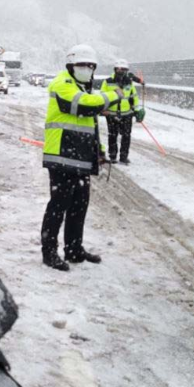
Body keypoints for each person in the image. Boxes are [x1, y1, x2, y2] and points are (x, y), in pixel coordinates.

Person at [40, 44, 124, 271]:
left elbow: (90, 125)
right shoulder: (63, 83)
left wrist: (99, 150)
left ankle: (74, 249)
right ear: (71, 65)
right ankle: (49, 252)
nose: (86, 69)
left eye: (90, 66)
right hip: (61, 156)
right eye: (82, 65)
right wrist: (113, 96)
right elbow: (83, 107)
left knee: (79, 205)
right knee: (58, 206)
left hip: (80, 158)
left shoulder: (85, 89)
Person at [100, 59, 144, 164]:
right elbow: (102, 96)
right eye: (118, 68)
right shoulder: (107, 81)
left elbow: (134, 97)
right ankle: (112, 156)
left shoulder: (129, 82)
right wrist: (103, 109)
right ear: (115, 69)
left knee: (126, 136)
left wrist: (137, 109)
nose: (120, 70)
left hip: (127, 114)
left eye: (123, 69)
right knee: (112, 135)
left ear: (126, 70)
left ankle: (124, 157)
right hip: (111, 114)